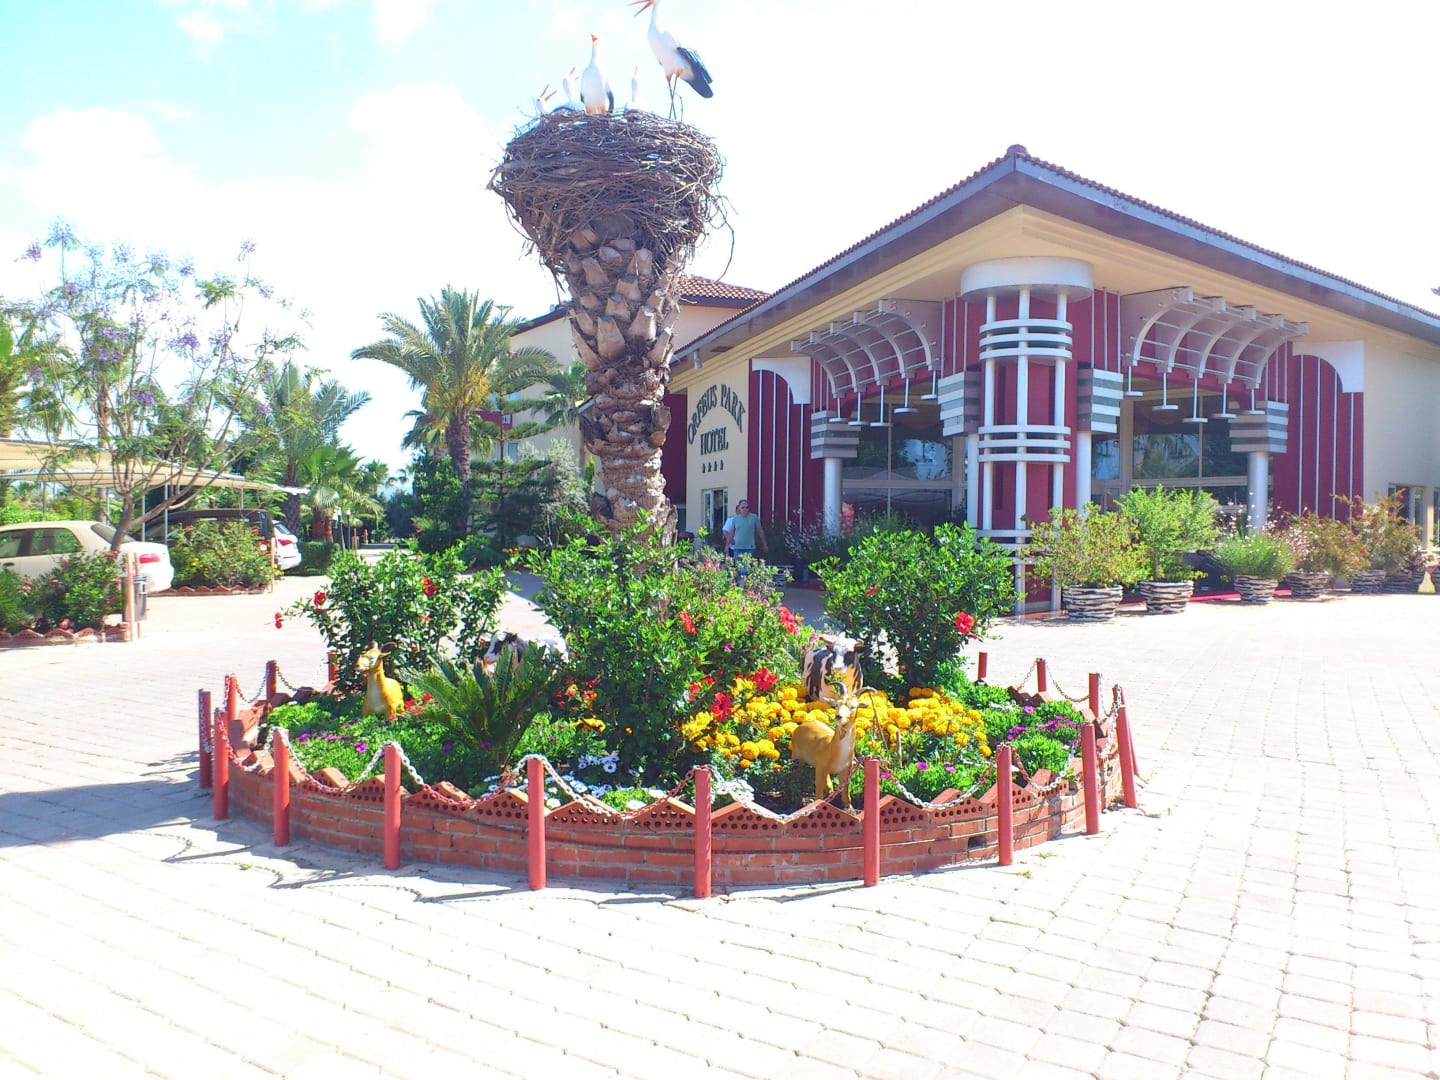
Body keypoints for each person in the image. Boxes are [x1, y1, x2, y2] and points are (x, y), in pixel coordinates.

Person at [723, 500, 767, 581]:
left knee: (746, 568)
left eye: (747, 507)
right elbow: (731, 532)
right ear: (739, 509)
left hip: (750, 547)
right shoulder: (735, 519)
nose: (745, 509)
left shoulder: (754, 518)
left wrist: (764, 544)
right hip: (738, 547)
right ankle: (742, 584)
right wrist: (727, 545)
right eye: (743, 507)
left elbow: (760, 531)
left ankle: (744, 584)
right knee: (740, 568)